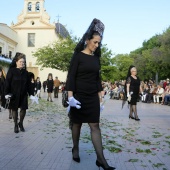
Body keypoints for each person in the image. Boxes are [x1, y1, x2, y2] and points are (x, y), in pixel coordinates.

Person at [66, 18, 115, 170]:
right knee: (77, 124)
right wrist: (70, 98)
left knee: (95, 126)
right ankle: (75, 148)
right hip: (78, 96)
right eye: (94, 42)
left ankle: (101, 160)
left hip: (92, 96)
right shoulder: (78, 56)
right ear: (87, 40)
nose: (96, 45)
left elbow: (97, 79)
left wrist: (100, 100)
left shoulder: (96, 59)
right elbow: (71, 76)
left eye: (99, 43)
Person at [4, 52, 32, 133]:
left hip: (23, 94)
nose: (22, 63)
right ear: (16, 62)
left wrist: (31, 94)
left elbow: (29, 85)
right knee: (14, 109)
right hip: (14, 94)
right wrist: (6, 93)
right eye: (20, 62)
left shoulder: (26, 73)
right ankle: (16, 124)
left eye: (23, 62)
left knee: (23, 109)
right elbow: (7, 82)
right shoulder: (12, 71)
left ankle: (21, 123)